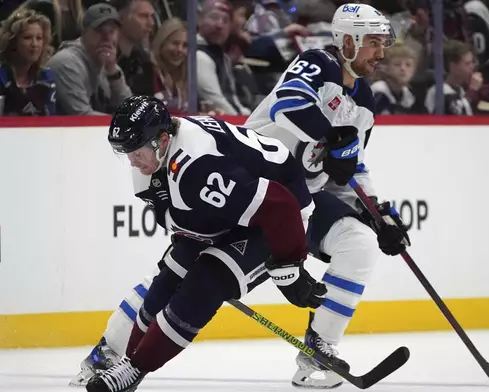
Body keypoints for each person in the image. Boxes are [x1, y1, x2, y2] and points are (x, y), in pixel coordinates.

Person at [83, 96, 325, 392]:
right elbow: (186, 220)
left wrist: (289, 270)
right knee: (168, 277)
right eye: (125, 153)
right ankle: (131, 362)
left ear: (162, 139)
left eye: (136, 151)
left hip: (280, 221)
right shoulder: (160, 160)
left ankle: (135, 367)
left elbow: (281, 207)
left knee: (206, 285)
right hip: (232, 214)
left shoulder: (195, 167)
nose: (132, 160)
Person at [244, 3, 410, 388]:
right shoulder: (317, 64)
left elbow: (351, 166)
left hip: (301, 202)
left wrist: (379, 214)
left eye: (383, 43)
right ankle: (110, 351)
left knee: (360, 244)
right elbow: (289, 106)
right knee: (187, 279)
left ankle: (317, 353)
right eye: (372, 42)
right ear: (347, 41)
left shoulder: (364, 102)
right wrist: (331, 137)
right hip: (252, 193)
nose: (381, 52)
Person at [0, 9, 56, 116]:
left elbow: (50, 121)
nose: (34, 44)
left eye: (39, 38)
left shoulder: (46, 77)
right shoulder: (2, 77)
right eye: (27, 38)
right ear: (12, 41)